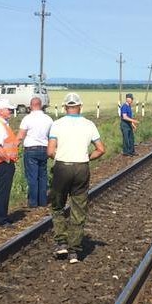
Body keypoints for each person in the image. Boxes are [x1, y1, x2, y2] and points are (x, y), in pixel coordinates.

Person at [48, 92, 106, 263]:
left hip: (62, 167)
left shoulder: (57, 124)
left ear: (65, 107)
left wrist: (61, 158)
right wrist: (87, 157)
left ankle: (61, 243)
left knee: (58, 205)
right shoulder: (89, 124)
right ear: (80, 107)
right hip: (82, 168)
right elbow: (101, 149)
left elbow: (50, 151)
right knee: (78, 208)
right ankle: (74, 250)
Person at [0, 99, 20, 226]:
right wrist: (7, 160)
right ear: (0, 111)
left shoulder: (2, 124)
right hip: (3, 162)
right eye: (8, 109)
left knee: (5, 190)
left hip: (5, 161)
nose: (11, 111)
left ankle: (3, 216)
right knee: (3, 191)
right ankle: (1, 219)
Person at [17, 95, 52, 207]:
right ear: (40, 106)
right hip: (44, 148)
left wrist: (14, 148)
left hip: (31, 149)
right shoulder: (48, 119)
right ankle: (43, 201)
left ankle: (33, 202)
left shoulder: (27, 119)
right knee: (43, 175)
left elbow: (20, 136)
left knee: (32, 176)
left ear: (31, 106)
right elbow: (52, 136)